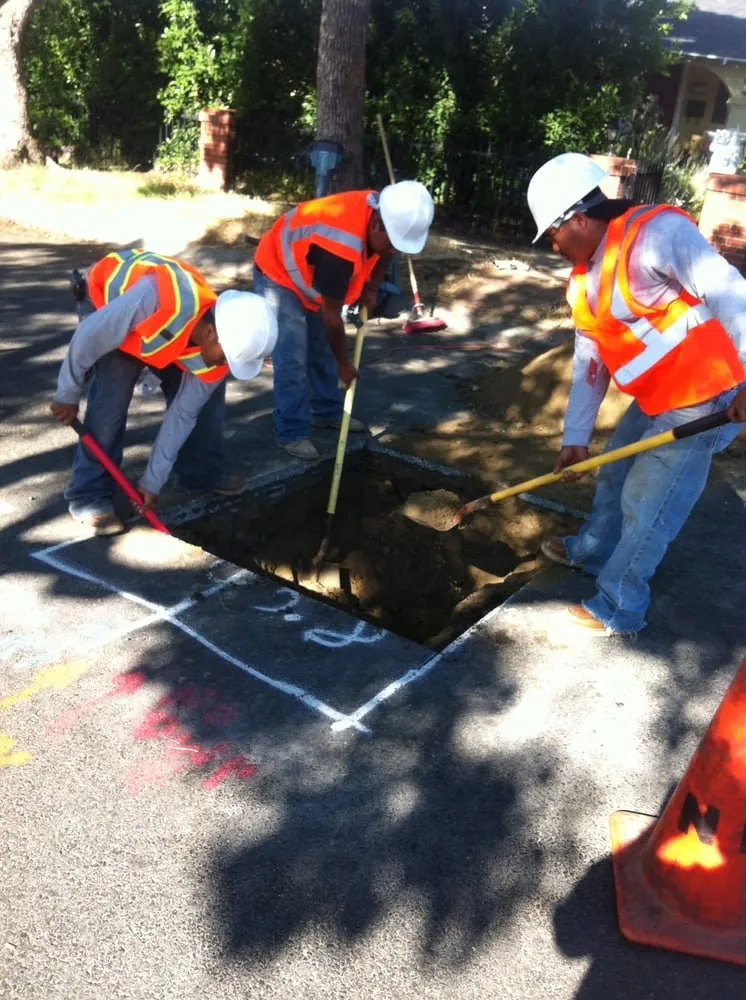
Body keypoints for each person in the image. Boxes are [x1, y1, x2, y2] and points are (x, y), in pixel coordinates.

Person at [526, 152, 746, 635]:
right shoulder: (583, 281)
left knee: (649, 502)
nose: (553, 246)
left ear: (577, 219)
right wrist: (575, 439)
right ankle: (594, 550)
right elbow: (590, 363)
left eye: (553, 234)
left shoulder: (654, 235)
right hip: (658, 397)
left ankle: (619, 605)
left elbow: (730, 291)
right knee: (614, 473)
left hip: (707, 393)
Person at [51, 248, 278, 536]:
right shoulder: (157, 300)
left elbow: (181, 416)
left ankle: (199, 473)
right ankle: (89, 496)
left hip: (160, 331)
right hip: (105, 300)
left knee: (207, 399)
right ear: (211, 333)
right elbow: (88, 336)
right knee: (112, 396)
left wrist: (151, 483)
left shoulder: (216, 344)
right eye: (226, 357)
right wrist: (67, 394)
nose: (226, 365)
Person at [253, 180, 434, 459]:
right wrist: (343, 365)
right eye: (391, 242)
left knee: (321, 349)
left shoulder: (388, 212)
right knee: (293, 359)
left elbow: (387, 253)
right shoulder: (339, 248)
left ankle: (326, 412)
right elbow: (331, 317)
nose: (393, 250)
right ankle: (291, 432)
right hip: (279, 274)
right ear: (377, 224)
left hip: (310, 274)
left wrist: (371, 288)